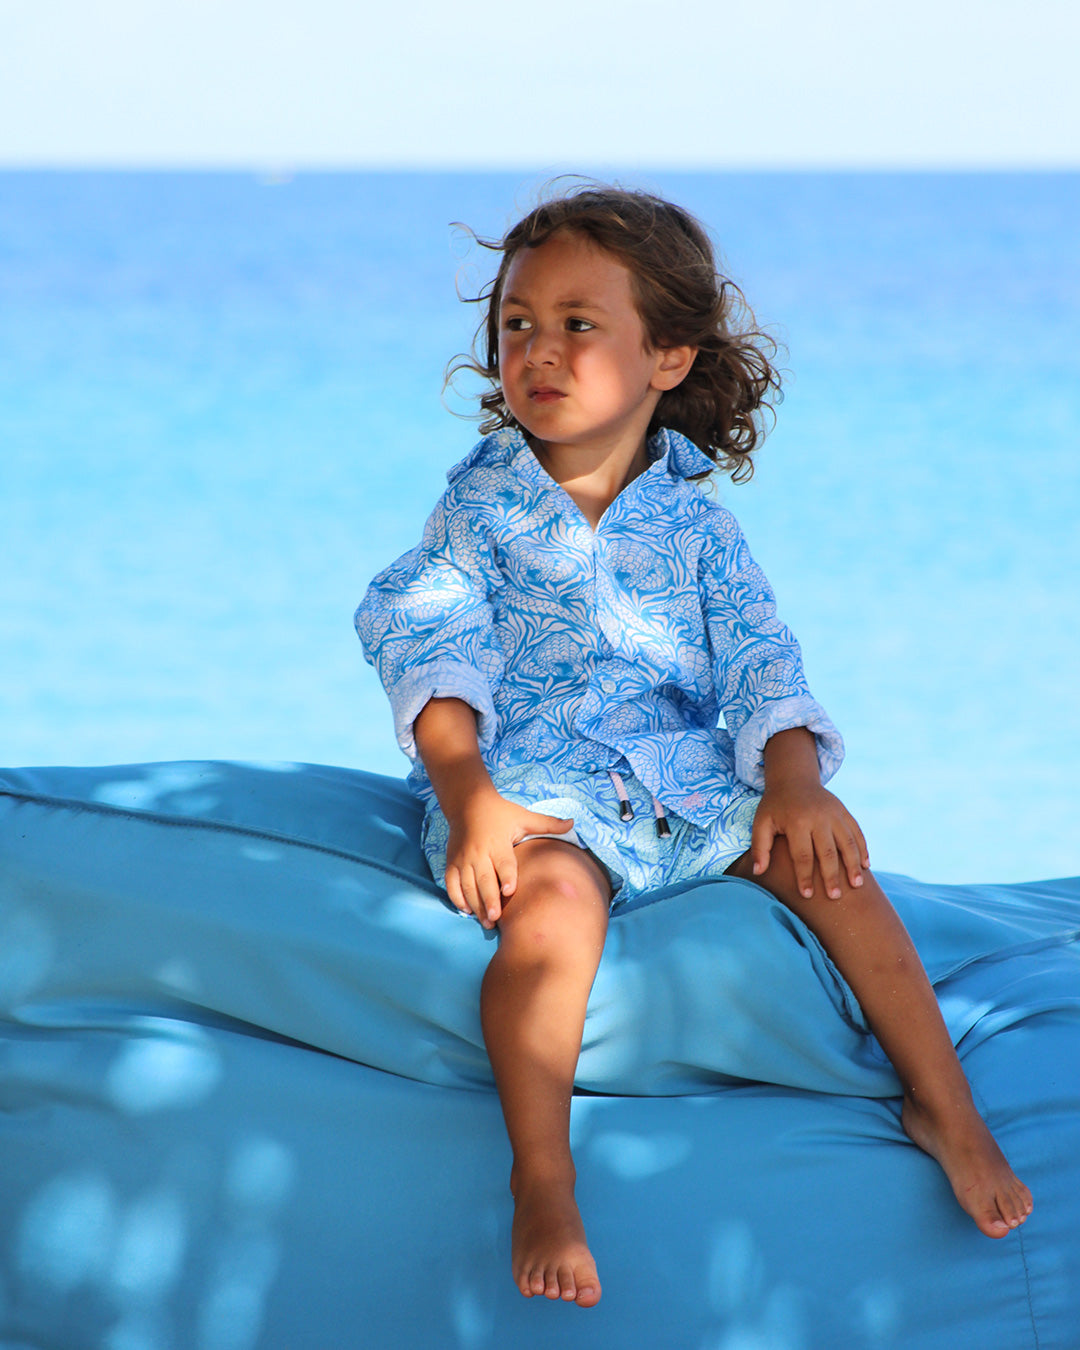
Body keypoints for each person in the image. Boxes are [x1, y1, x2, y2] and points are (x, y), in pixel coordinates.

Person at [355, 184, 1032, 1309]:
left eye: (581, 324)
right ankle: (542, 1175)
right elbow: (425, 639)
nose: (540, 350)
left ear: (666, 357)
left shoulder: (700, 524)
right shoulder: (478, 508)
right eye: (518, 324)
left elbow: (763, 659)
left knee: (840, 874)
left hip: (681, 788)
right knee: (555, 906)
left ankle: (946, 1109)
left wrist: (794, 783)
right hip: (535, 787)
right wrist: (467, 794)